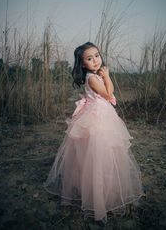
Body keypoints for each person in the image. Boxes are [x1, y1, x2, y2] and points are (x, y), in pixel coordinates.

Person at [43, 42, 143, 223]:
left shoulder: (94, 75)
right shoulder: (92, 78)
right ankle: (96, 199)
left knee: (104, 154)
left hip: (100, 114)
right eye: (90, 59)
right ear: (83, 64)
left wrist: (103, 76)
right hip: (97, 119)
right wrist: (108, 76)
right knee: (97, 154)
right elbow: (108, 94)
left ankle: (104, 190)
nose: (96, 60)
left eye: (97, 55)